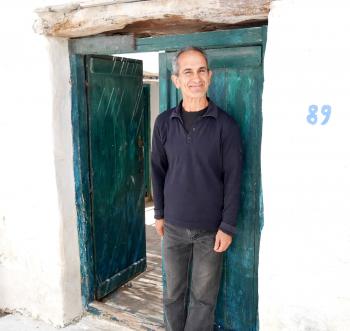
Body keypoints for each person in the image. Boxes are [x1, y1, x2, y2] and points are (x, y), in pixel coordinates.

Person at [151, 46, 242, 331]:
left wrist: (227, 227)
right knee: (172, 295)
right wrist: (159, 214)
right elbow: (157, 169)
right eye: (187, 71)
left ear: (210, 76)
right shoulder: (164, 123)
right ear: (176, 80)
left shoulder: (226, 126)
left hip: (210, 232)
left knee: (203, 299)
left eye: (201, 70)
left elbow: (234, 178)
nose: (195, 77)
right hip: (173, 228)